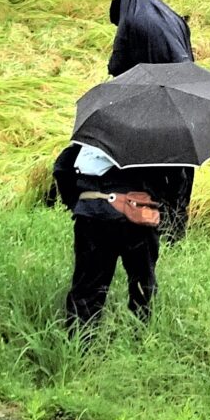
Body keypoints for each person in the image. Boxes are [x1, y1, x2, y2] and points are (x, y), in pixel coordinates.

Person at [105, 0, 197, 229]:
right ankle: (176, 227)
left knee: (156, 168)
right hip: (185, 102)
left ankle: (154, 224)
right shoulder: (172, 18)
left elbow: (117, 66)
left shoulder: (133, 19)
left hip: (155, 108)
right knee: (180, 167)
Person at [54, 141, 167, 330]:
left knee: (87, 288)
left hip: (93, 216)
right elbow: (174, 180)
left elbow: (62, 167)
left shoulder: (96, 132)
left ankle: (79, 350)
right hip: (139, 219)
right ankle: (141, 342)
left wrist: (77, 203)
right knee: (143, 287)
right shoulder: (157, 139)